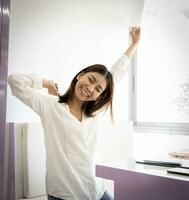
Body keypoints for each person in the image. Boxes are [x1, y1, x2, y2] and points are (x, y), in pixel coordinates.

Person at [8, 27, 140, 200]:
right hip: (64, 195)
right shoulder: (50, 106)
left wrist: (134, 44)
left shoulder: (94, 112)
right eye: (90, 80)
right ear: (80, 75)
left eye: (97, 89)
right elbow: (14, 81)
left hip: (96, 191)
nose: (90, 89)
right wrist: (46, 83)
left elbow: (117, 72)